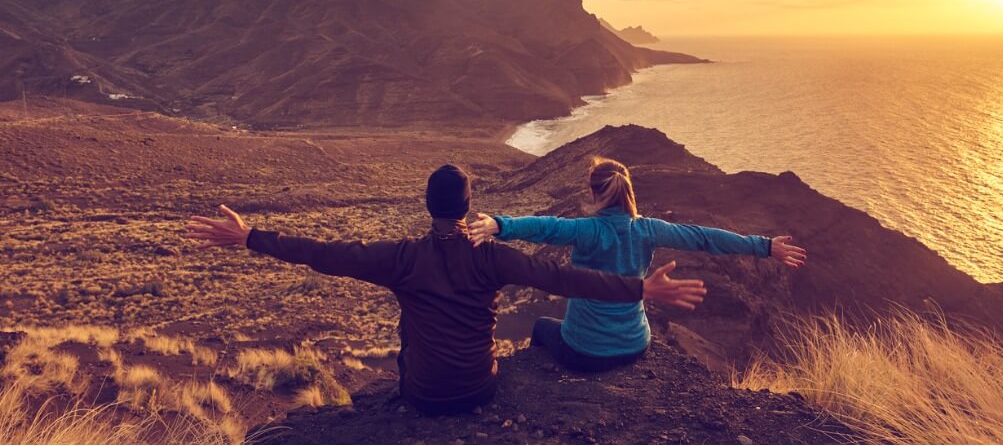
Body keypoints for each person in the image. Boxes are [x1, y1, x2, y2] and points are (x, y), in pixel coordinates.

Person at [186, 163, 707, 415]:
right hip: (480, 387)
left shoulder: (403, 257)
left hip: (423, 396)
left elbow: (323, 253)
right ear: (466, 208)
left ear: (427, 205)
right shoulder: (493, 256)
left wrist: (249, 236)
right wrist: (641, 289)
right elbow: (565, 278)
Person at [467, 156, 807, 373]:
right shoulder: (649, 229)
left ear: (594, 192)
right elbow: (704, 237)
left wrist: (500, 224)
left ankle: (539, 382)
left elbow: (546, 227)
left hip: (585, 351)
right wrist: (764, 246)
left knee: (542, 325)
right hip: (635, 345)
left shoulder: (585, 230)